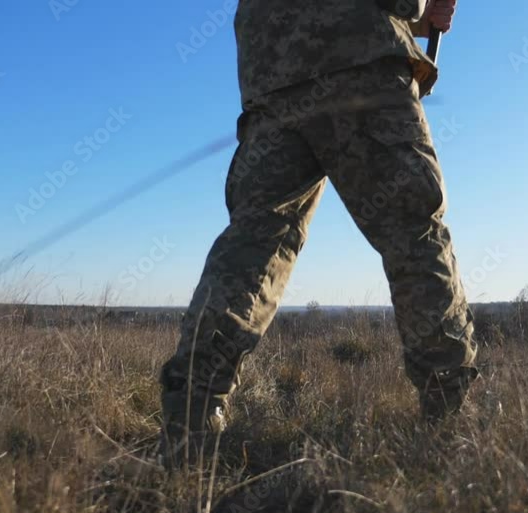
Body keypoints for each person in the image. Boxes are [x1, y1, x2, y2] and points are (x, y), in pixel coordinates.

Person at [159, 0, 478, 468]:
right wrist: (426, 9)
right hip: (360, 67)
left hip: (272, 82)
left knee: (251, 249)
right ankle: (452, 422)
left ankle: (189, 420)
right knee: (413, 231)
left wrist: (420, 18)